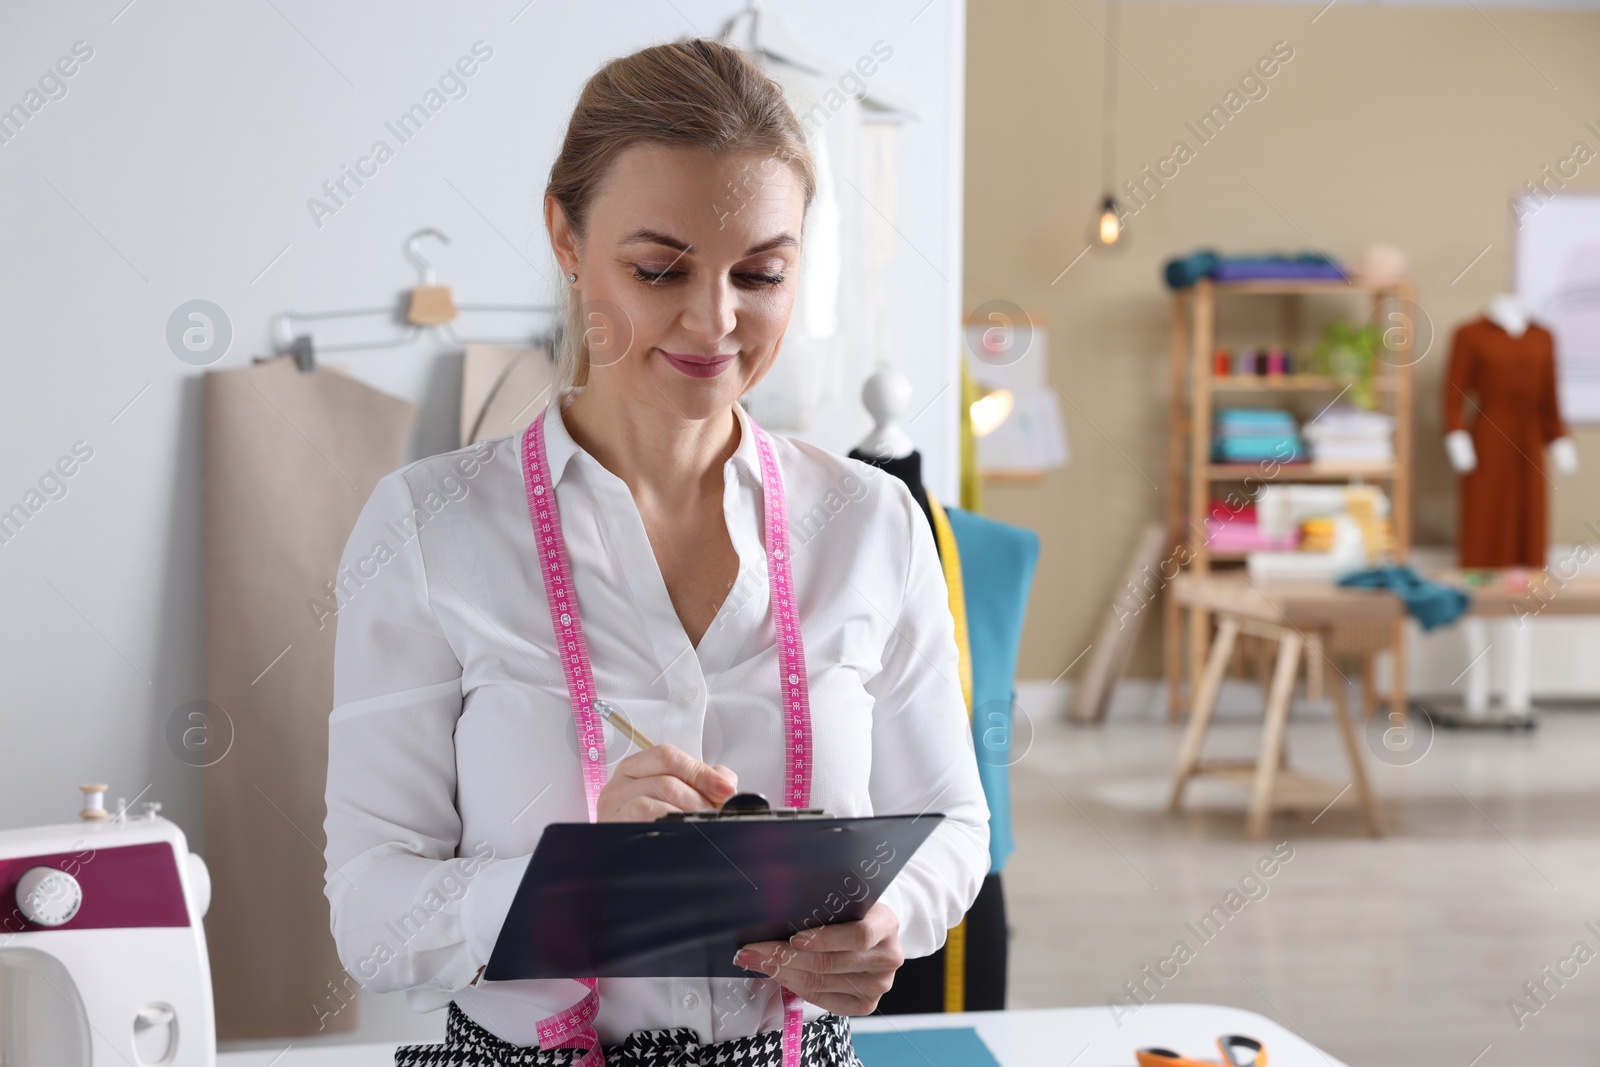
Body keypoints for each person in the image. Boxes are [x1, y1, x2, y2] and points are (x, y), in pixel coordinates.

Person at [322, 37, 990, 1067]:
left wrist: (887, 920)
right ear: (565, 236)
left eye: (760, 272)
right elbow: (370, 913)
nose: (713, 319)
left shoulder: (870, 522)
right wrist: (581, 881)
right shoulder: (426, 526)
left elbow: (952, 821)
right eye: (658, 267)